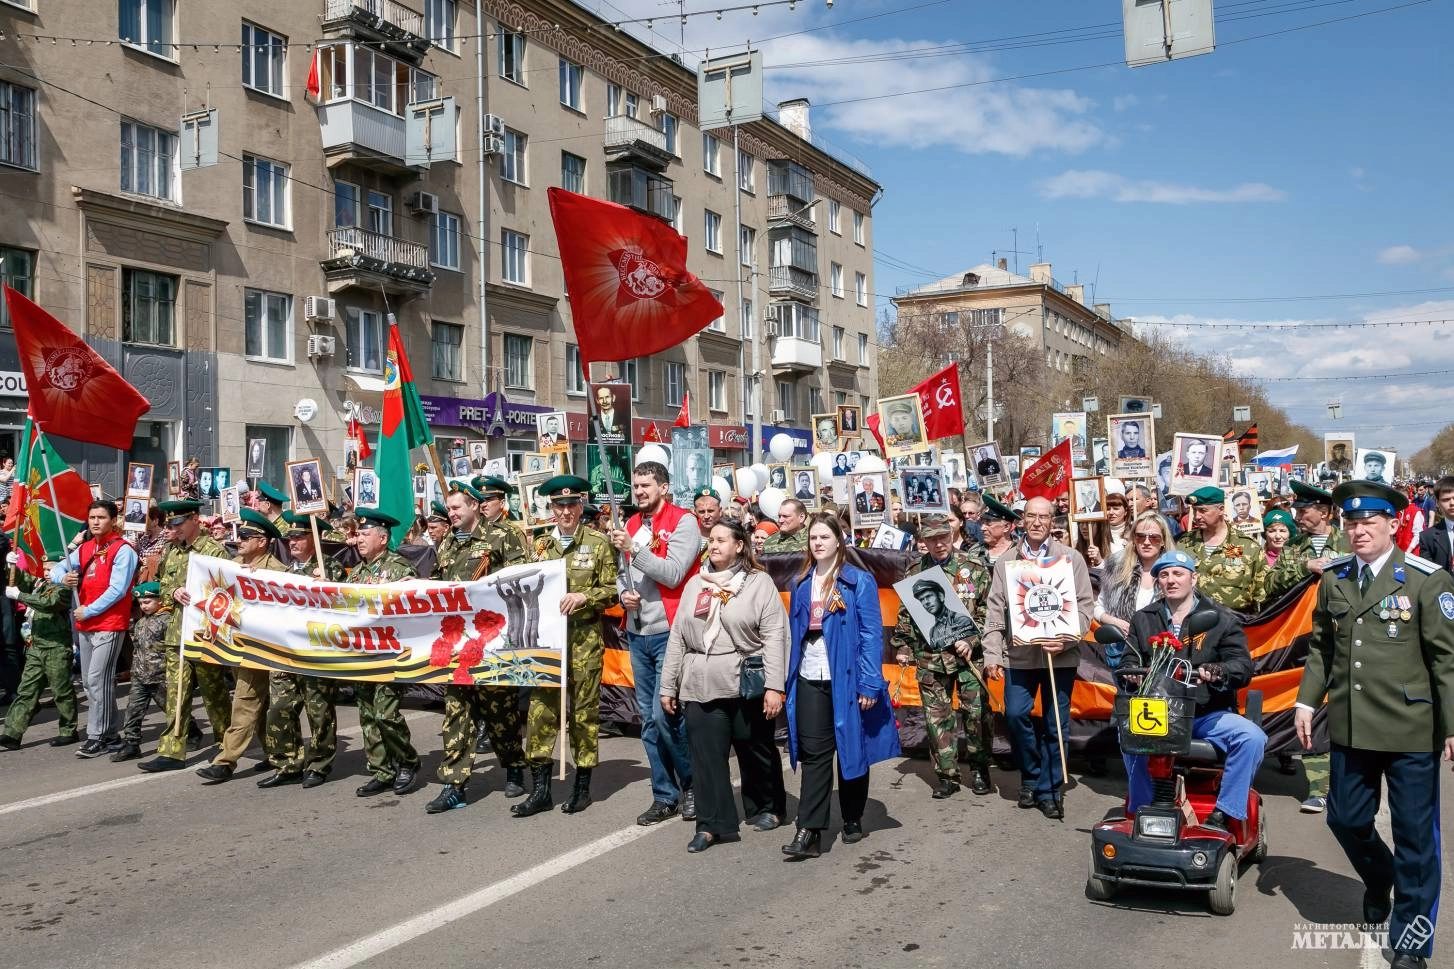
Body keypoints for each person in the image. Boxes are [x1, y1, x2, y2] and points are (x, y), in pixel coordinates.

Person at [1295, 481, 1454, 969]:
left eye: (1369, 522)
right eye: (1351, 522)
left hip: (1410, 728)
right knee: (1344, 818)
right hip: (1351, 725)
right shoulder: (1335, 579)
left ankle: (1411, 941)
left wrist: (1452, 725)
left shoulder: (1427, 580)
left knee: (1415, 840)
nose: (1358, 530)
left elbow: (1446, 659)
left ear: (1393, 524)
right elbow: (1321, 647)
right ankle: (1379, 876)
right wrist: (1305, 701)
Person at [660, 520, 788, 851]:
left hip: (744, 676)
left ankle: (767, 806)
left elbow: (774, 634)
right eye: (711, 540)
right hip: (700, 678)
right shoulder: (694, 585)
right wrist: (668, 685)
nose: (714, 545)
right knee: (706, 756)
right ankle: (711, 824)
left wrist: (775, 685)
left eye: (721, 539)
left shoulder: (758, 584)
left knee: (754, 746)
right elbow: (678, 637)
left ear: (740, 545)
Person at [1120, 550, 1267, 833]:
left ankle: (1226, 812)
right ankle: (1142, 810)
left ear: (1193, 578)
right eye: (1164, 575)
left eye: (1178, 573)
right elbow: (1130, 658)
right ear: (1158, 582)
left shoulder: (1220, 618)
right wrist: (1132, 673)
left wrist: (1217, 671)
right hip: (1158, 713)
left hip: (1206, 711)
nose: (1171, 580)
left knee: (1252, 738)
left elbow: (1241, 666)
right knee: (1129, 732)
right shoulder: (1144, 618)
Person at [783, 513, 900, 857]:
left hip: (847, 676)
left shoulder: (857, 581)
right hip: (809, 674)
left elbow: (870, 634)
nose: (817, 543)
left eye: (824, 537)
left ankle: (852, 814)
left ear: (838, 541)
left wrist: (868, 682)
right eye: (813, 538)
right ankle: (810, 831)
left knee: (851, 746)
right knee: (815, 754)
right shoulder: (801, 582)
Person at [511, 476, 620, 817]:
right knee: (541, 713)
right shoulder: (540, 546)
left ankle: (582, 787)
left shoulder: (598, 543)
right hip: (549, 644)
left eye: (572, 504)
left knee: (584, 714)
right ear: (551, 509)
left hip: (584, 641)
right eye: (559, 505)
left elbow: (612, 590)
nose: (566, 511)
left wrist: (584, 596)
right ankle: (541, 790)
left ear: (580, 506)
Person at [982, 496, 1095, 819]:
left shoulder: (1071, 560)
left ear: (1052, 522)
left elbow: (1085, 607)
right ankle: (1030, 774)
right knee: (1016, 715)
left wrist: (1067, 639)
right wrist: (992, 653)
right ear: (1022, 519)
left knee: (1054, 724)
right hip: (1019, 655)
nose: (1037, 522)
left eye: (1043, 517)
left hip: (1059, 655)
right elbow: (994, 612)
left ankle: (1047, 788)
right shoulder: (1006, 562)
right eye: (1031, 516)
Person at [608, 461, 702, 825]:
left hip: (670, 631)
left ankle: (692, 782)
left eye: (646, 485)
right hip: (638, 632)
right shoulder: (630, 523)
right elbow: (621, 572)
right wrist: (623, 595)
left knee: (666, 716)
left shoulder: (684, 522)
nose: (640, 491)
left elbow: (675, 574)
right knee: (647, 721)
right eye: (636, 485)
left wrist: (635, 549)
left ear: (664, 487)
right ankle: (664, 794)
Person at [425, 482, 527, 814]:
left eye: (456, 508)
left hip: (493, 640)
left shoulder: (501, 537)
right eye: (449, 509)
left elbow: (522, 578)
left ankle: (513, 764)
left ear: (474, 506)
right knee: (457, 712)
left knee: (500, 713)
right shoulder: (447, 545)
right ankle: (454, 784)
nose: (451, 514)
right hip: (458, 644)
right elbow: (437, 586)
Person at [892, 515, 994, 798]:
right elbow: (906, 616)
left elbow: (990, 610)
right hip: (930, 656)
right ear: (922, 541)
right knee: (937, 718)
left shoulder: (973, 568)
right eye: (932, 539)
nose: (939, 544)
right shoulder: (915, 572)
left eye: (943, 537)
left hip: (969, 659)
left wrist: (972, 639)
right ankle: (947, 775)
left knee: (976, 715)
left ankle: (979, 769)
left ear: (952, 535)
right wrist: (902, 648)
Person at [137, 500, 233, 772]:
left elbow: (227, 591)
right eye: (170, 524)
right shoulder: (171, 551)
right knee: (175, 694)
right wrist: (174, 593)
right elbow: (164, 586)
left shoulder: (213, 551)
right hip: (177, 631)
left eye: (178, 524)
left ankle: (225, 743)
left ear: (195, 520)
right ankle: (171, 750)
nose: (173, 529)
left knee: (214, 693)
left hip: (205, 633)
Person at [196, 510, 287, 783]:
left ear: (262, 542)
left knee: (245, 700)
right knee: (260, 702)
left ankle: (225, 761)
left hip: (262, 647)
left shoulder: (277, 571)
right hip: (235, 644)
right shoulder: (232, 566)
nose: (240, 540)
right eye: (240, 535)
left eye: (247, 536)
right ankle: (274, 751)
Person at [258, 511, 346, 789]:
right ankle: (286, 763)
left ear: (314, 539)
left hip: (316, 650)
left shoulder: (329, 567)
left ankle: (319, 763)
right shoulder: (285, 572)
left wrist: (329, 586)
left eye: (298, 537)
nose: (292, 542)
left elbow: (348, 605)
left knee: (318, 710)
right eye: (289, 538)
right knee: (279, 709)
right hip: (286, 651)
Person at [50, 500, 140, 758]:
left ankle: (96, 735)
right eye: (92, 517)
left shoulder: (123, 550)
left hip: (109, 624)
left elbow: (118, 589)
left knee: (97, 679)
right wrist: (63, 578)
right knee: (91, 683)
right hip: (84, 624)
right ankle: (110, 733)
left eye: (101, 517)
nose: (96, 522)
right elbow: (56, 569)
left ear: (113, 520)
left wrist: (88, 610)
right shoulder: (85, 548)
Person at [345, 509, 424, 797]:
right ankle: (382, 769)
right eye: (359, 534)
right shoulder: (356, 573)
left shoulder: (400, 568)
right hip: (363, 655)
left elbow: (413, 608)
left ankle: (407, 761)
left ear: (383, 537)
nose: (360, 539)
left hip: (391, 654)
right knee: (368, 715)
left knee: (386, 713)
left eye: (366, 534)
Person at [0, 564, 77, 750]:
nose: (47, 573)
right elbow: (22, 578)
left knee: (61, 691)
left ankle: (68, 731)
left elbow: (48, 603)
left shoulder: (64, 590)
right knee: (26, 690)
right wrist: (8, 564)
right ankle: (12, 733)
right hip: (36, 647)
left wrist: (19, 596)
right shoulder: (41, 585)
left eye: (51, 569)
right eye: (45, 569)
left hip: (56, 648)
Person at [1176, 486, 1266, 613]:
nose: (1197, 516)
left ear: (1221, 510)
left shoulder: (1246, 546)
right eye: (1194, 510)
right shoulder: (1184, 543)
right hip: (1193, 621)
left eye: (1203, 511)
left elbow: (1261, 592)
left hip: (1235, 623)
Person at [110, 582, 169, 761]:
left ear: (160, 601)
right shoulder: (140, 623)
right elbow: (136, 650)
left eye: (148, 602)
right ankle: (132, 744)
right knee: (133, 710)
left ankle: (192, 732)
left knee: (171, 708)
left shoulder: (168, 620)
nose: (144, 606)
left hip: (160, 676)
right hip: (140, 675)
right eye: (141, 602)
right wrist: (131, 671)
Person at [1094, 511, 1173, 635]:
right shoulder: (1116, 567)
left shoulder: (1176, 572)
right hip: (1122, 647)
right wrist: (1114, 622)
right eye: (1140, 536)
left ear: (1163, 541)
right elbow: (1098, 608)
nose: (1146, 542)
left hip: (1163, 646)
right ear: (1134, 539)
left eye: (1154, 537)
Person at [1414, 474, 1454, 574]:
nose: (1452, 503)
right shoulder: (1427, 537)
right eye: (1446, 499)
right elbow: (1427, 575)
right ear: (1437, 503)